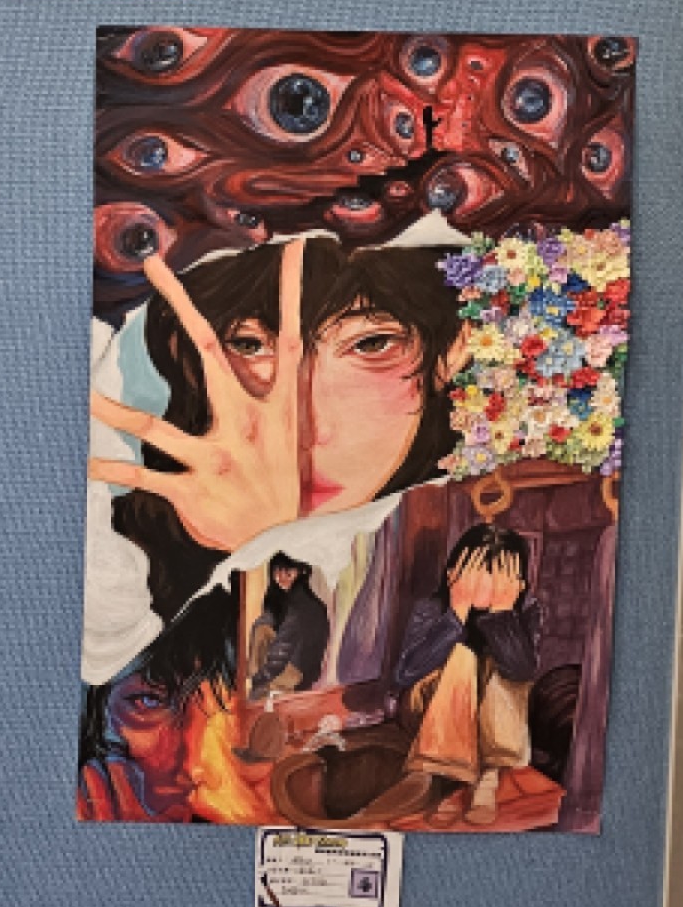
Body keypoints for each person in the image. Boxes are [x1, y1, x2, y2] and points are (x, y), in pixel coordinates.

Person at [85, 231, 466, 716]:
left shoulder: (460, 504)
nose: (304, 428)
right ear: (186, 356)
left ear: (454, 351)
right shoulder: (117, 561)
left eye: (372, 344)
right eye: (248, 344)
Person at [370, 524, 542, 828]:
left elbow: (522, 671)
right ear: (453, 573)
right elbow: (406, 673)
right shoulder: (432, 607)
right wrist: (456, 616)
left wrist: (502, 615)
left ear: (517, 583)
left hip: (491, 727)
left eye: (500, 573)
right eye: (477, 569)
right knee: (463, 657)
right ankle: (447, 779)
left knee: (507, 674)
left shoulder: (526, 610)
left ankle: (487, 776)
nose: (487, 581)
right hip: (428, 714)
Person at [246, 554, 330, 700]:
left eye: (288, 571)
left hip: (296, 677)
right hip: (304, 675)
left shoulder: (299, 606)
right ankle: (259, 685)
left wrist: (259, 678)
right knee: (261, 626)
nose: (281, 577)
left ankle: (257, 685)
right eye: (277, 571)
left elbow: (282, 652)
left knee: (260, 630)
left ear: (301, 572)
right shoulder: (300, 601)